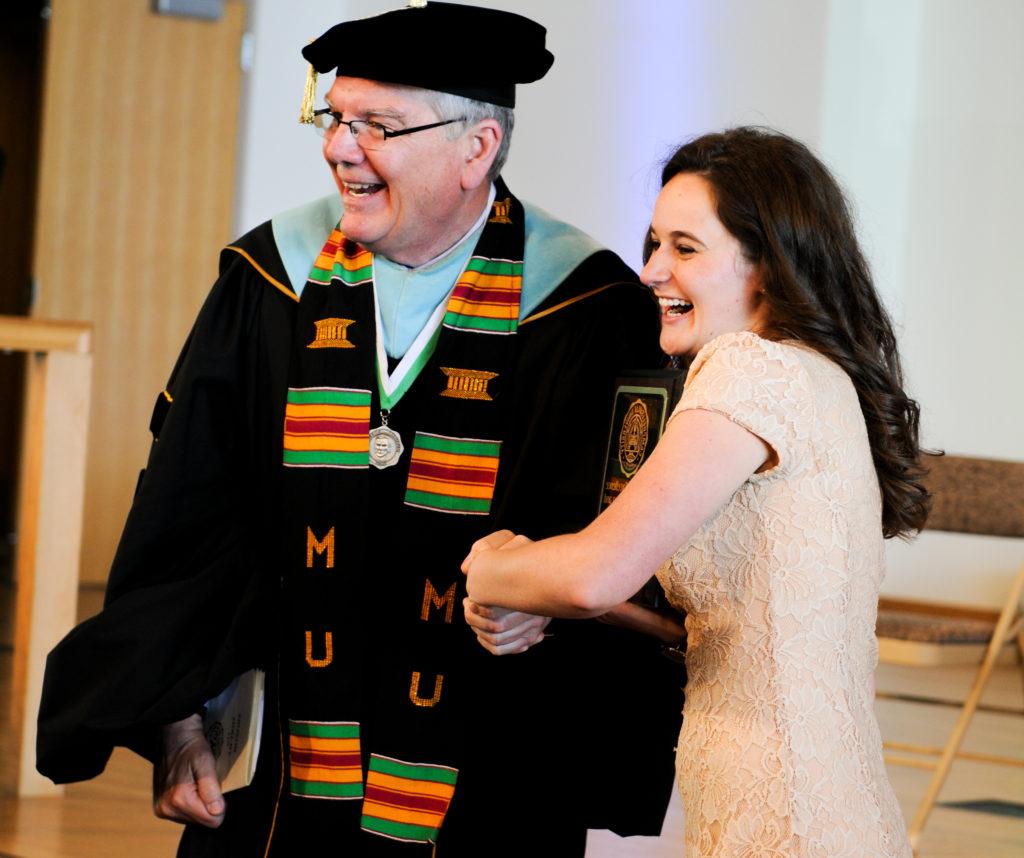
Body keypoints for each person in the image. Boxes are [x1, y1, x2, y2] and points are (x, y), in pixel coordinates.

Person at [35, 2, 686, 855]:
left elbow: (629, 542)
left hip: (488, 784)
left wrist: (549, 607)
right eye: (335, 117)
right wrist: (179, 723)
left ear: (475, 148)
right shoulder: (269, 278)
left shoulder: (586, 306)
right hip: (282, 781)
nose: (340, 148)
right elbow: (187, 520)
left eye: (376, 125)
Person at [463, 127, 928, 857]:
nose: (650, 271)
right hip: (813, 803)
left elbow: (593, 575)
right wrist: (538, 600)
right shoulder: (811, 372)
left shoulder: (749, 370)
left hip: (781, 821)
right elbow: (733, 631)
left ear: (764, 269)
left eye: (685, 248)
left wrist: (490, 565)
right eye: (653, 244)